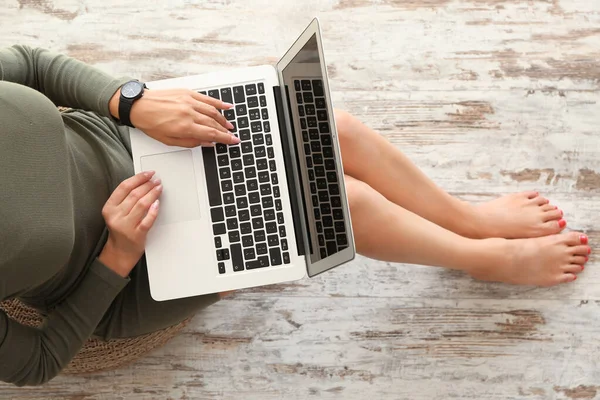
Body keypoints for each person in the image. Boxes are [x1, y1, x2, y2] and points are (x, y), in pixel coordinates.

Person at [0, 45, 591, 387]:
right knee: (344, 206)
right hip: (129, 271)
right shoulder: (117, 264)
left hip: (128, 140)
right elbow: (40, 361)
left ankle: (470, 219)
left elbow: (27, 62)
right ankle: (482, 258)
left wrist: (132, 102)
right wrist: (117, 257)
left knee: (335, 132)